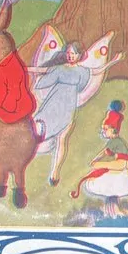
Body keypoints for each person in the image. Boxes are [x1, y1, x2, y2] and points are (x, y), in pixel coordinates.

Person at [30, 44, 91, 186]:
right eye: (68, 53)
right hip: (53, 105)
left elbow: (85, 82)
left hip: (68, 108)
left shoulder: (83, 71)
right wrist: (29, 72)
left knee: (62, 139)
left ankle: (55, 173)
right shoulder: (60, 69)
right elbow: (43, 76)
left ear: (79, 55)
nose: (70, 56)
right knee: (35, 129)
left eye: (73, 53)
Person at [69, 101, 128, 218]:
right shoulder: (112, 142)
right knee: (99, 181)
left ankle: (114, 210)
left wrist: (100, 164)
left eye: (106, 129)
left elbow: (122, 164)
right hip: (117, 172)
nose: (103, 132)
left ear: (113, 129)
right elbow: (104, 152)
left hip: (121, 172)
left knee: (100, 180)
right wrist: (95, 161)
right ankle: (111, 209)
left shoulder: (117, 142)